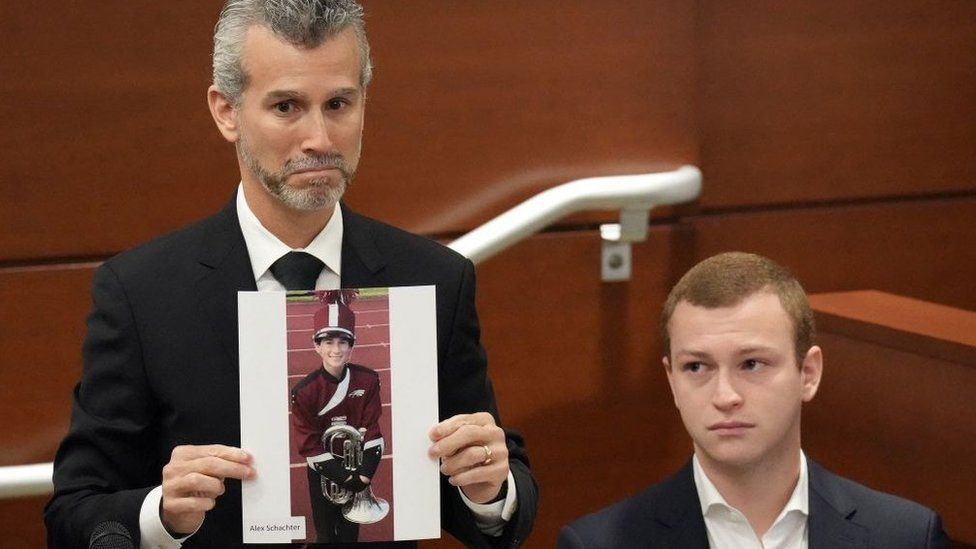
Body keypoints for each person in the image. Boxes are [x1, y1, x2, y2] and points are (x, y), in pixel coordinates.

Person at [44, 1, 537, 547]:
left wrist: (488, 490)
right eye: (286, 106)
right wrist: (162, 513)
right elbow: (74, 512)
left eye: (338, 103)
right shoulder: (142, 293)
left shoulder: (435, 280)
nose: (320, 139)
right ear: (226, 111)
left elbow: (491, 512)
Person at [559, 252, 950, 549]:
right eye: (697, 367)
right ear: (672, 382)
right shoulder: (598, 543)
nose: (725, 396)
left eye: (751, 364)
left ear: (808, 373)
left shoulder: (907, 536)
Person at [290, 294, 385, 542]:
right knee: (325, 532)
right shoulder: (304, 391)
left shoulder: (368, 379)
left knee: (350, 532)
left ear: (351, 347)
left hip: (357, 466)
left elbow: (372, 428)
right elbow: (308, 444)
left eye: (343, 342)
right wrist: (342, 477)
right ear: (316, 346)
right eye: (328, 342)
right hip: (324, 472)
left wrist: (363, 476)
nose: (336, 350)